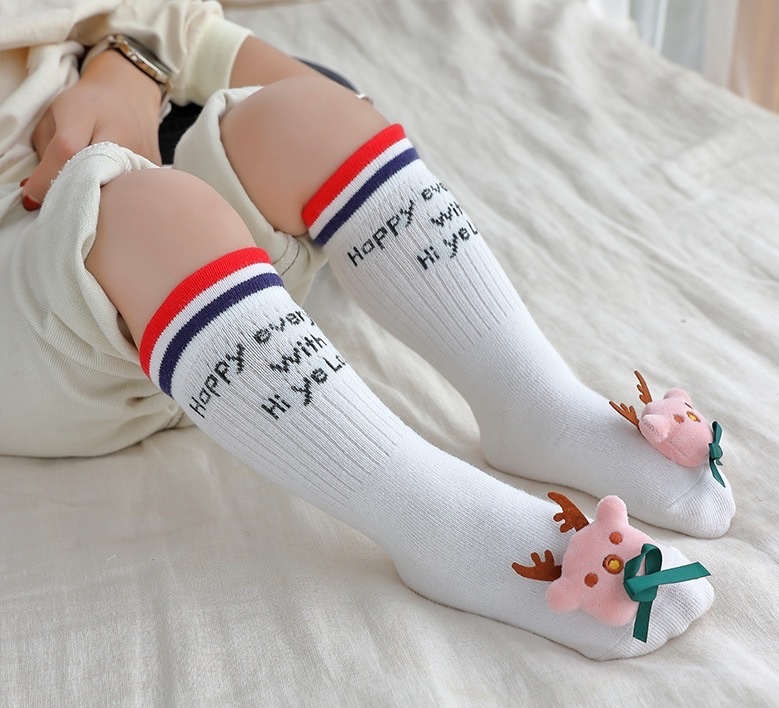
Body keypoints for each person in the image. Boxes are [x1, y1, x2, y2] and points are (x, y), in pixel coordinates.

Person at [0, 0, 734, 660]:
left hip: (187, 271)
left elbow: (233, 55)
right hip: (39, 313)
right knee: (157, 214)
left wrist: (128, 65)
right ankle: (435, 517)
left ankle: (535, 403)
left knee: (307, 116)